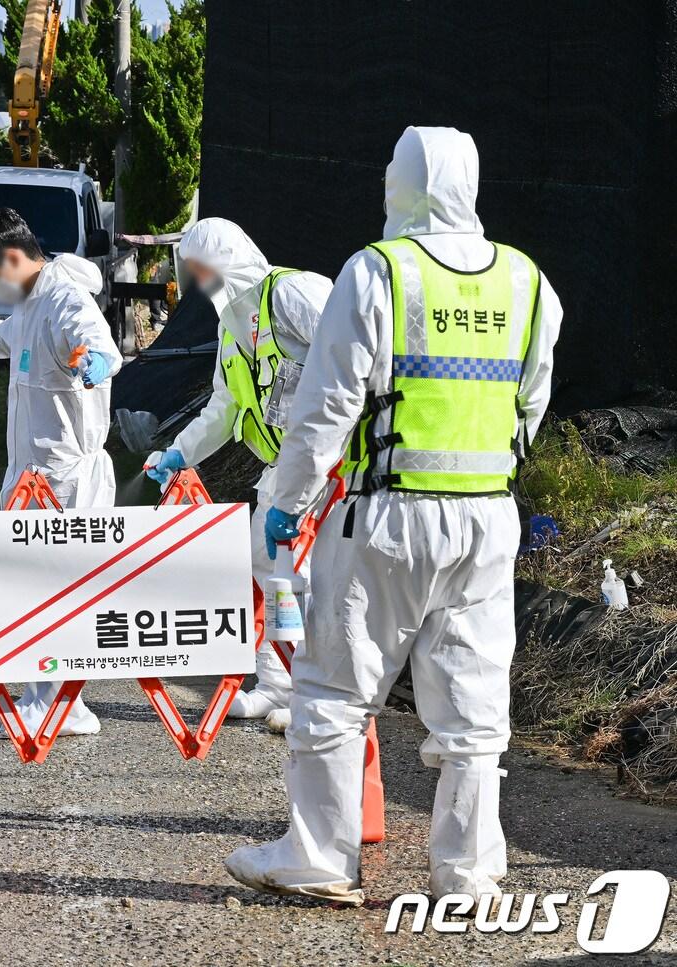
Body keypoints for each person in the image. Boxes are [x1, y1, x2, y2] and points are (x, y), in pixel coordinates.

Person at [224, 126, 562, 907]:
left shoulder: (377, 273)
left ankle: (319, 857)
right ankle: (467, 874)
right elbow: (531, 402)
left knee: (336, 690)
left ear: (399, 188)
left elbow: (324, 410)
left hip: (385, 515)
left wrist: (286, 503)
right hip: (486, 520)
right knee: (474, 708)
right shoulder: (527, 281)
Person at [144, 218, 332, 731]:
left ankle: (311, 693)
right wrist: (178, 453)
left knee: (306, 579)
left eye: (201, 269)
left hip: (331, 465)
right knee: (267, 568)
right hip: (285, 469)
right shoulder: (231, 326)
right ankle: (276, 683)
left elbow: (353, 360)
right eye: (193, 272)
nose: (197, 282)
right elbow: (225, 405)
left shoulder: (294, 293)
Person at [0, 208, 122, 736]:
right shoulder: (31, 302)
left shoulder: (64, 298)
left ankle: (63, 706)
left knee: (60, 591)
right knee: (28, 589)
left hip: (67, 477)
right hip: (33, 473)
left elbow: (96, 343)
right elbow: (7, 335)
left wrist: (94, 361)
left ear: (12, 260)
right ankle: (38, 696)